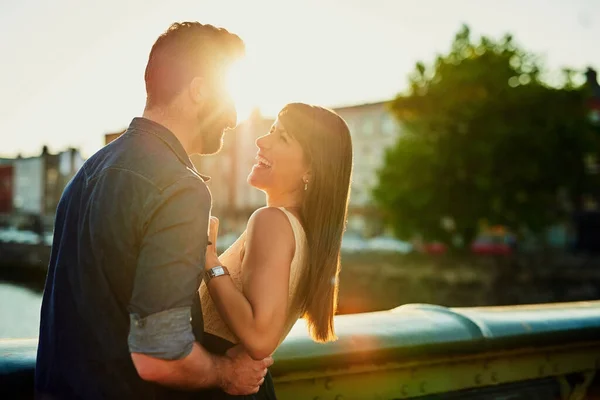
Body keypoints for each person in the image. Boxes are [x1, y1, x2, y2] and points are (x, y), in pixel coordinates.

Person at [35, 22, 272, 399]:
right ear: (200, 90)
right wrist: (228, 372)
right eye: (229, 98)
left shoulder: (88, 173)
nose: (233, 117)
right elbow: (159, 356)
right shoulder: (180, 186)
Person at [199, 103, 353, 399]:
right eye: (271, 131)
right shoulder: (303, 233)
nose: (261, 141)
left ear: (311, 168)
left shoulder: (272, 221)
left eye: (282, 138)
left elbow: (259, 339)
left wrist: (208, 258)